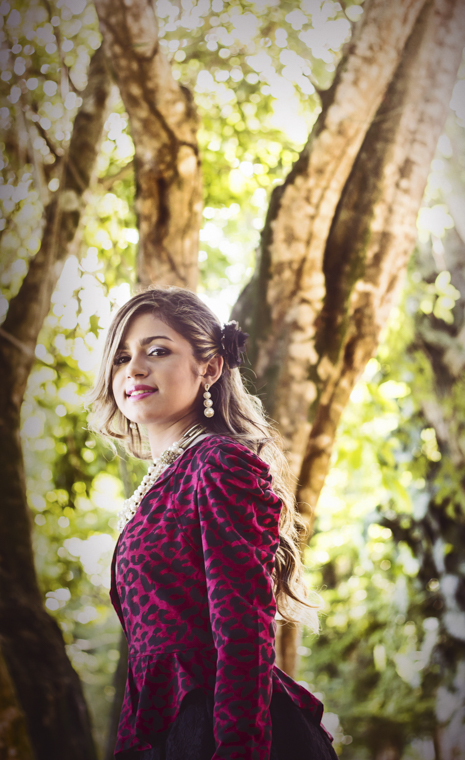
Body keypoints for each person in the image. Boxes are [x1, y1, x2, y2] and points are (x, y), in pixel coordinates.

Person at [88, 287, 339, 760]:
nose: (133, 368)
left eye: (156, 351)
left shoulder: (219, 463)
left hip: (224, 732)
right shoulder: (163, 480)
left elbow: (243, 633)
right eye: (121, 357)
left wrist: (237, 750)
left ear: (210, 367)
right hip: (169, 733)